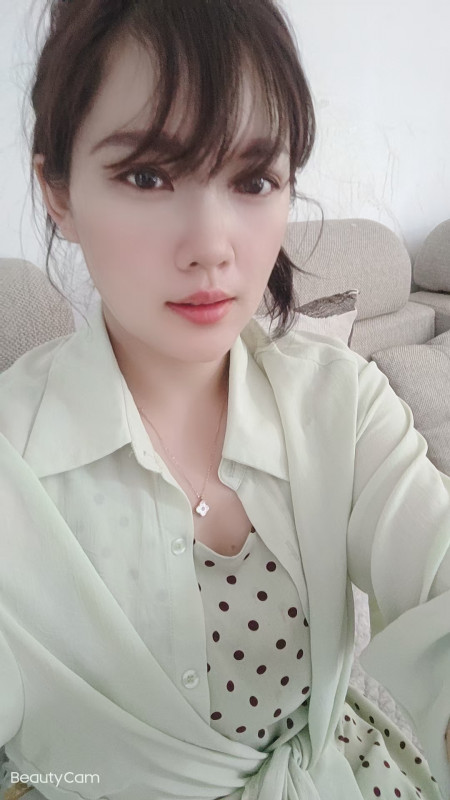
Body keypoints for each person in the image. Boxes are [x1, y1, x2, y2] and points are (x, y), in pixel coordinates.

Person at [0, 0, 449, 798]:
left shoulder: (342, 403)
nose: (211, 246)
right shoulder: (14, 464)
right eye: (147, 175)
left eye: (252, 179)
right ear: (58, 193)